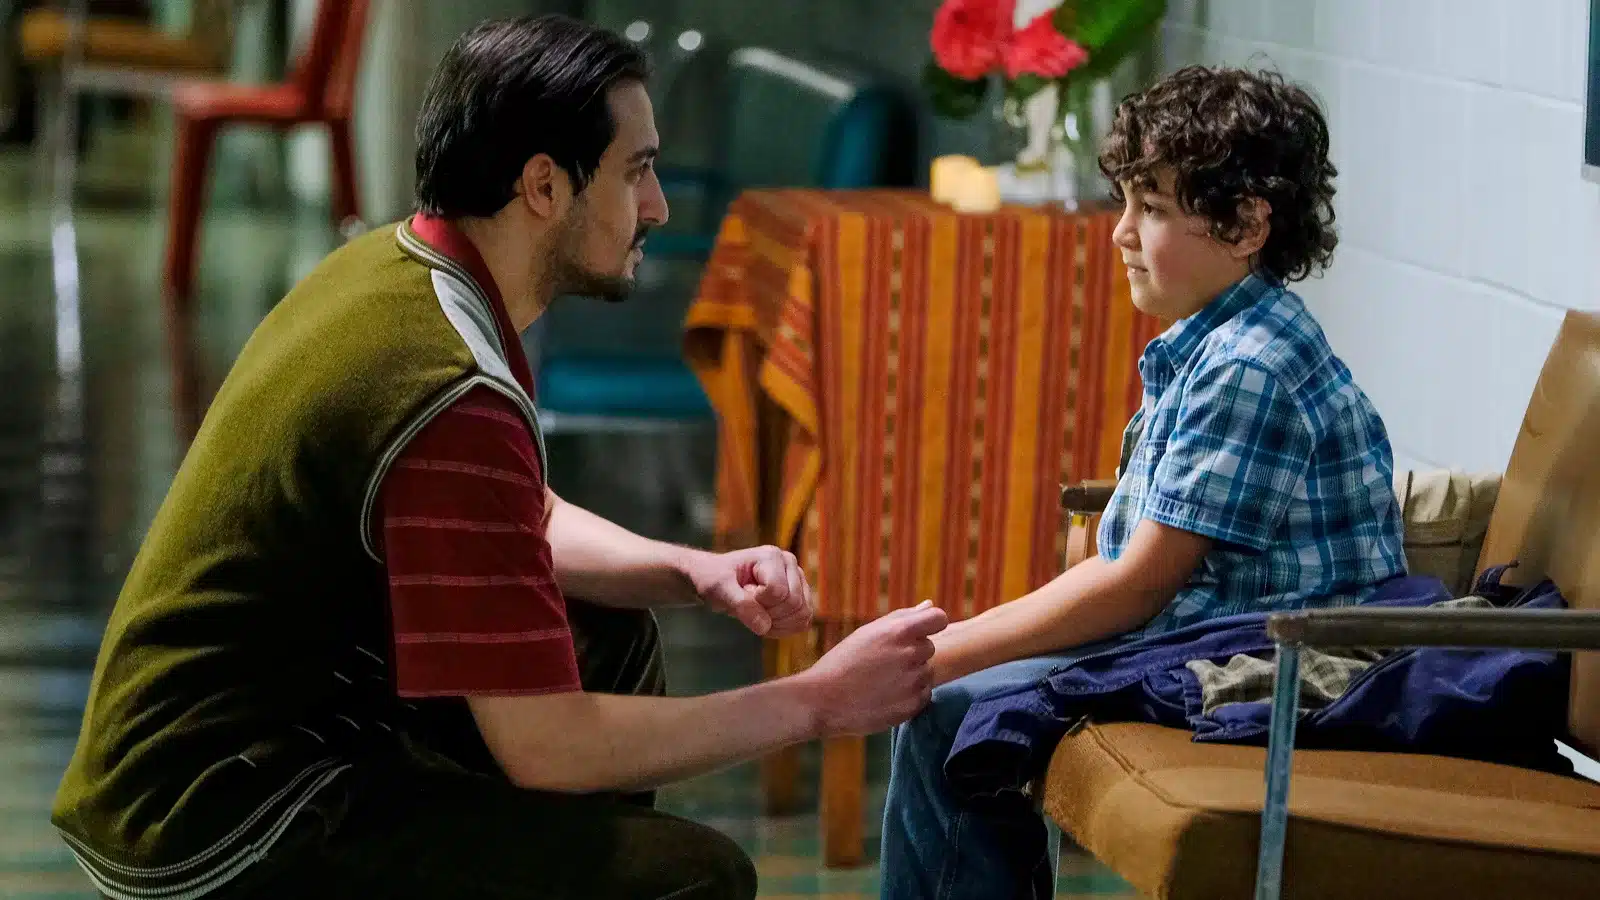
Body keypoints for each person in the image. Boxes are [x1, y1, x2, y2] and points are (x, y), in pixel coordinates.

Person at [52, 15, 947, 900]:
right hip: (210, 819)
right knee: (692, 880)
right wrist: (818, 702)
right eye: (635, 171)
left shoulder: (404, 269)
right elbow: (547, 747)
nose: (657, 205)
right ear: (544, 186)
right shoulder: (449, 388)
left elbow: (518, 517)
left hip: (243, 745)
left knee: (607, 634)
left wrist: (692, 572)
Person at [879, 65, 1408, 899]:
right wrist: (946, 646)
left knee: (950, 710)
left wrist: (939, 657)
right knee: (952, 694)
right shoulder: (1221, 341)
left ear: (1246, 225)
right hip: (1210, 631)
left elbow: (1136, 586)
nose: (1120, 233)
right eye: (1126, 202)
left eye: (1152, 208)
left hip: (1274, 661)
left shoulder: (1250, 367)